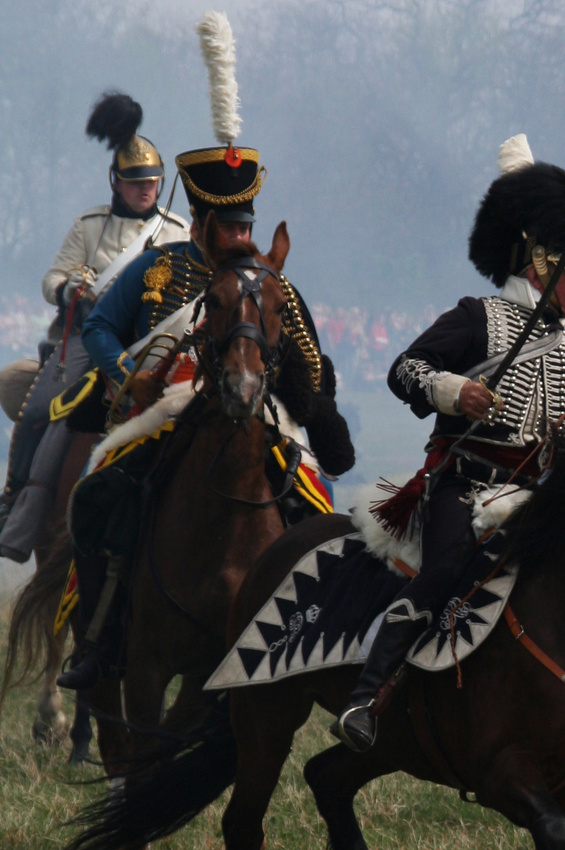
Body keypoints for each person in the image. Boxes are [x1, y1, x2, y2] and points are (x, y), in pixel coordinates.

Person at [58, 20, 353, 691]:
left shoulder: (275, 285)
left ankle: (319, 640)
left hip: (262, 408)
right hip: (166, 407)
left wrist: (319, 410)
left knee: (320, 506)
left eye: (246, 225)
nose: (239, 236)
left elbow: (307, 361)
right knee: (101, 492)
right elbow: (102, 327)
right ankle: (101, 636)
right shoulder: (156, 270)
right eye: (229, 226)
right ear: (200, 224)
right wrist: (123, 378)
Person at [332, 134, 565, 757]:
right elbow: (404, 369)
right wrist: (454, 390)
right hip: (464, 487)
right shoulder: (475, 317)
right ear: (542, 264)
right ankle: (364, 696)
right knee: (441, 573)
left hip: (535, 495)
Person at [0, 92, 189, 558]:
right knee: (38, 408)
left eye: (152, 180)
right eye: (135, 181)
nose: (146, 188)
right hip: (88, 337)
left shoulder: (177, 230)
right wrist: (70, 290)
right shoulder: (88, 226)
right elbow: (52, 279)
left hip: (152, 341)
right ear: (117, 183)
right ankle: (15, 495)